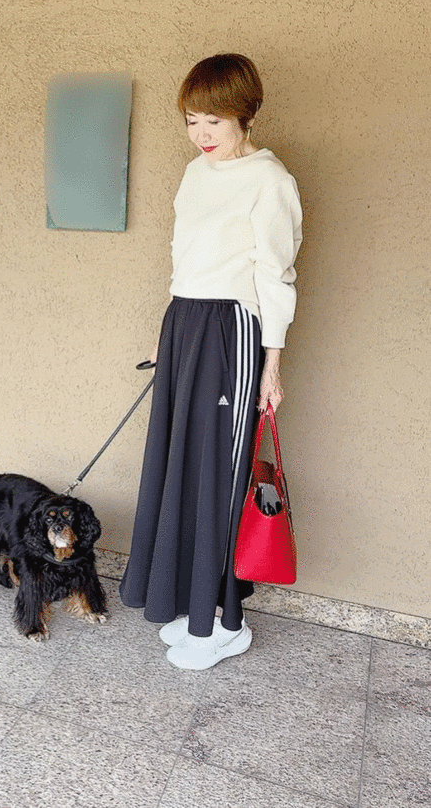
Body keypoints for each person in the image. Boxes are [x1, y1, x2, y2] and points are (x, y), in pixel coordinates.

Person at [119, 53, 302, 670]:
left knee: (221, 475)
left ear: (245, 116)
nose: (201, 134)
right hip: (186, 324)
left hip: (234, 330)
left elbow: (276, 276)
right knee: (182, 465)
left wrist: (272, 366)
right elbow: (185, 256)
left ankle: (226, 622)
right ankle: (192, 603)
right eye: (192, 120)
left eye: (214, 121)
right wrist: (165, 332)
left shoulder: (270, 179)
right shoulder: (195, 172)